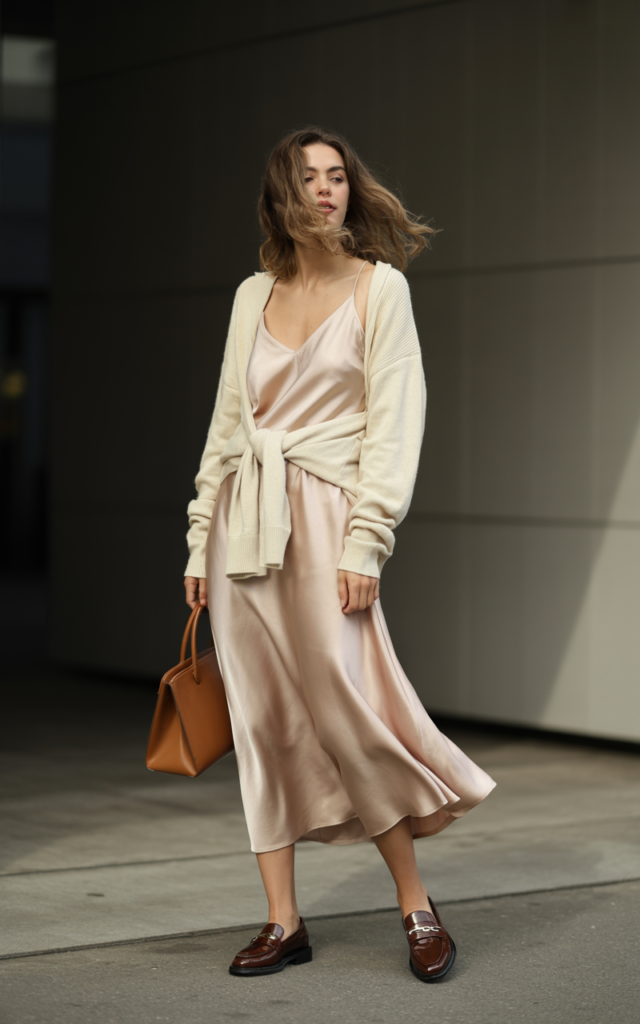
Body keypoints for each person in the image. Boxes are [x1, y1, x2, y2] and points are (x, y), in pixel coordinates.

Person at [183, 126, 495, 982]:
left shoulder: (380, 289)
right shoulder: (253, 295)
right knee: (263, 724)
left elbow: (398, 425)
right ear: (283, 192)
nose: (328, 190)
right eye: (310, 177)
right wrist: (198, 540)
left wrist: (370, 538)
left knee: (349, 714)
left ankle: (416, 904)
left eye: (338, 177)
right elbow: (225, 426)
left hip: (328, 526)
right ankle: (283, 923)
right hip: (244, 527)